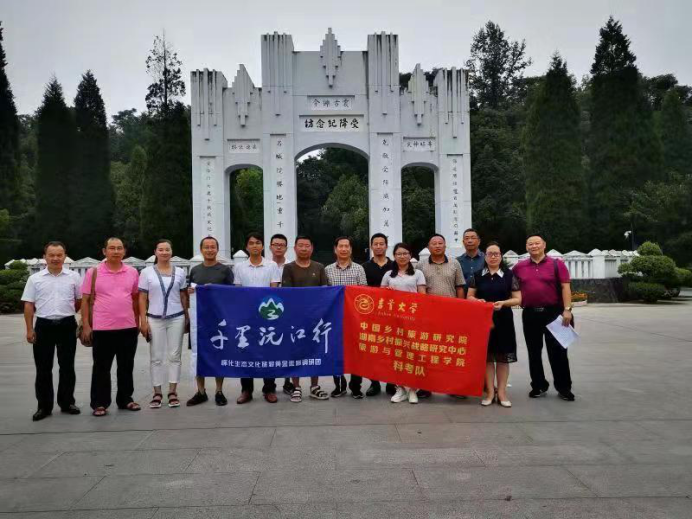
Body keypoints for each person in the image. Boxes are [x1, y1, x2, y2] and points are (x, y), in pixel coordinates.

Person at [21, 241, 82, 421]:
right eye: (51, 255)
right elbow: (29, 305)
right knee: (43, 368)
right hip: (44, 326)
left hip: (67, 326)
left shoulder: (74, 277)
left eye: (59, 255)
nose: (55, 258)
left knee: (67, 367)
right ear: (45, 257)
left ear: (65, 256)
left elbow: (79, 301)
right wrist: (29, 329)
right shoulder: (35, 279)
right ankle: (44, 406)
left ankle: (67, 402)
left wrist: (68, 313)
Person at [81, 237, 141, 417]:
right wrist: (86, 325)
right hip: (102, 328)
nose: (116, 251)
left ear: (124, 251)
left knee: (126, 366)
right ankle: (99, 403)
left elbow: (136, 298)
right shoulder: (94, 272)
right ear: (104, 251)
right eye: (112, 248)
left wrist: (138, 321)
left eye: (119, 248)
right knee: (101, 368)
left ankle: (125, 399)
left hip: (128, 327)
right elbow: (85, 300)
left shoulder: (132, 272)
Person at [513, 233, 575, 401]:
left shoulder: (557, 264)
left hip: (554, 313)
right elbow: (511, 287)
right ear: (526, 247)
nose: (534, 246)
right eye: (530, 244)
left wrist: (567, 309)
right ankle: (538, 385)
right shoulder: (519, 267)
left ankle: (564, 388)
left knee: (558, 352)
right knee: (534, 352)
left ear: (544, 245)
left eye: (537, 243)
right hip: (530, 314)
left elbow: (565, 287)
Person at [467, 242, 521, 407]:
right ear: (485, 256)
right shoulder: (477, 275)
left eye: (496, 254)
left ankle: (502, 393)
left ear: (501, 256)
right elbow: (469, 296)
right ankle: (490, 392)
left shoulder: (509, 275)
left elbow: (518, 299)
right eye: (490, 254)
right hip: (483, 322)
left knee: (503, 358)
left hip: (504, 320)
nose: (493, 257)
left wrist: (503, 303)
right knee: (488, 358)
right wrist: (477, 301)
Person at [138, 240, 189, 409]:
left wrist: (186, 316)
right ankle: (157, 392)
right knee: (156, 356)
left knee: (175, 355)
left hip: (176, 317)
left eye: (167, 249)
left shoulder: (180, 272)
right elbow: (142, 298)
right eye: (161, 249)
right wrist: (143, 321)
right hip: (154, 318)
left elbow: (183, 296)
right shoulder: (146, 272)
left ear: (171, 252)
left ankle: (173, 391)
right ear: (155, 252)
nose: (164, 252)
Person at [415, 233, 465, 398]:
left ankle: (453, 387)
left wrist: (461, 309)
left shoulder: (455, 263)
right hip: (428, 314)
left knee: (450, 351)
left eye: (440, 243)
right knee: (428, 351)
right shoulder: (420, 265)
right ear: (428, 247)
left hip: (451, 314)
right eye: (434, 243)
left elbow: (459, 287)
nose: (437, 246)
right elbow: (417, 288)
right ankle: (426, 386)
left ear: (445, 246)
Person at [186, 236, 235, 407]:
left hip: (218, 320)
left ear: (217, 249)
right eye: (206, 247)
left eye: (212, 247)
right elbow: (189, 292)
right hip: (199, 321)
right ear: (201, 250)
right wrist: (191, 292)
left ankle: (219, 391)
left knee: (218, 354)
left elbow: (231, 294)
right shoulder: (195, 270)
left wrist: (215, 289)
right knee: (198, 354)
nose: (209, 250)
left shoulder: (225, 270)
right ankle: (201, 391)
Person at [281, 235, 330, 403]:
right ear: (295, 248)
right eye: (300, 245)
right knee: (296, 352)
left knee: (314, 351)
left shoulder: (319, 267)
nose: (303, 248)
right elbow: (287, 294)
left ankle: (314, 387)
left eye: (307, 245)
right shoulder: (289, 268)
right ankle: (296, 387)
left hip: (315, 318)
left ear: (312, 248)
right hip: (295, 318)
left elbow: (324, 291)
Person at [234, 232, 282, 404]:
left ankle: (269, 389)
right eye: (251, 243)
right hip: (246, 317)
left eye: (258, 242)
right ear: (247, 247)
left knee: (268, 352)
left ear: (263, 246)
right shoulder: (239, 267)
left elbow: (274, 289)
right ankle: (246, 390)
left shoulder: (272, 265)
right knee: (246, 352)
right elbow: (237, 292)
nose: (255, 246)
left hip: (267, 315)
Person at [381, 243, 426, 404]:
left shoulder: (418, 273)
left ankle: (413, 389)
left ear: (410, 255)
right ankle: (399, 388)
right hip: (394, 320)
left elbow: (423, 296)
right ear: (394, 256)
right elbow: (381, 296)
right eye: (399, 253)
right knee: (396, 354)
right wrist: (387, 293)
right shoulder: (388, 275)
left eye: (405, 253)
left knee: (413, 354)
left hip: (412, 320)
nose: (402, 256)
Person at [325, 236, 368, 398]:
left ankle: (356, 386)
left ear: (351, 249)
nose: (343, 249)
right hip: (334, 318)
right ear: (335, 249)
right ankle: (339, 385)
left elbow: (364, 294)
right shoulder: (327, 269)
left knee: (357, 352)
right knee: (335, 351)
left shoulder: (359, 269)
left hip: (355, 318)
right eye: (340, 246)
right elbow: (325, 294)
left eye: (346, 246)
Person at [361, 232, 395, 397]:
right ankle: (374, 383)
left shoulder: (395, 265)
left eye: (382, 244)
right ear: (371, 246)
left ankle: (391, 383)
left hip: (393, 314)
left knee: (391, 349)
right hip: (372, 314)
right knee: (373, 350)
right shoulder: (364, 267)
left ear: (386, 246)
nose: (379, 246)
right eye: (376, 244)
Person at [269, 232, 294, 397]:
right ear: (270, 247)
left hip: (288, 313)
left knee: (288, 348)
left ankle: (288, 382)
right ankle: (269, 385)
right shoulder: (266, 265)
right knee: (269, 348)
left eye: (282, 245)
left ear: (286, 248)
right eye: (275, 244)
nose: (278, 247)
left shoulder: (292, 266)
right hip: (268, 313)